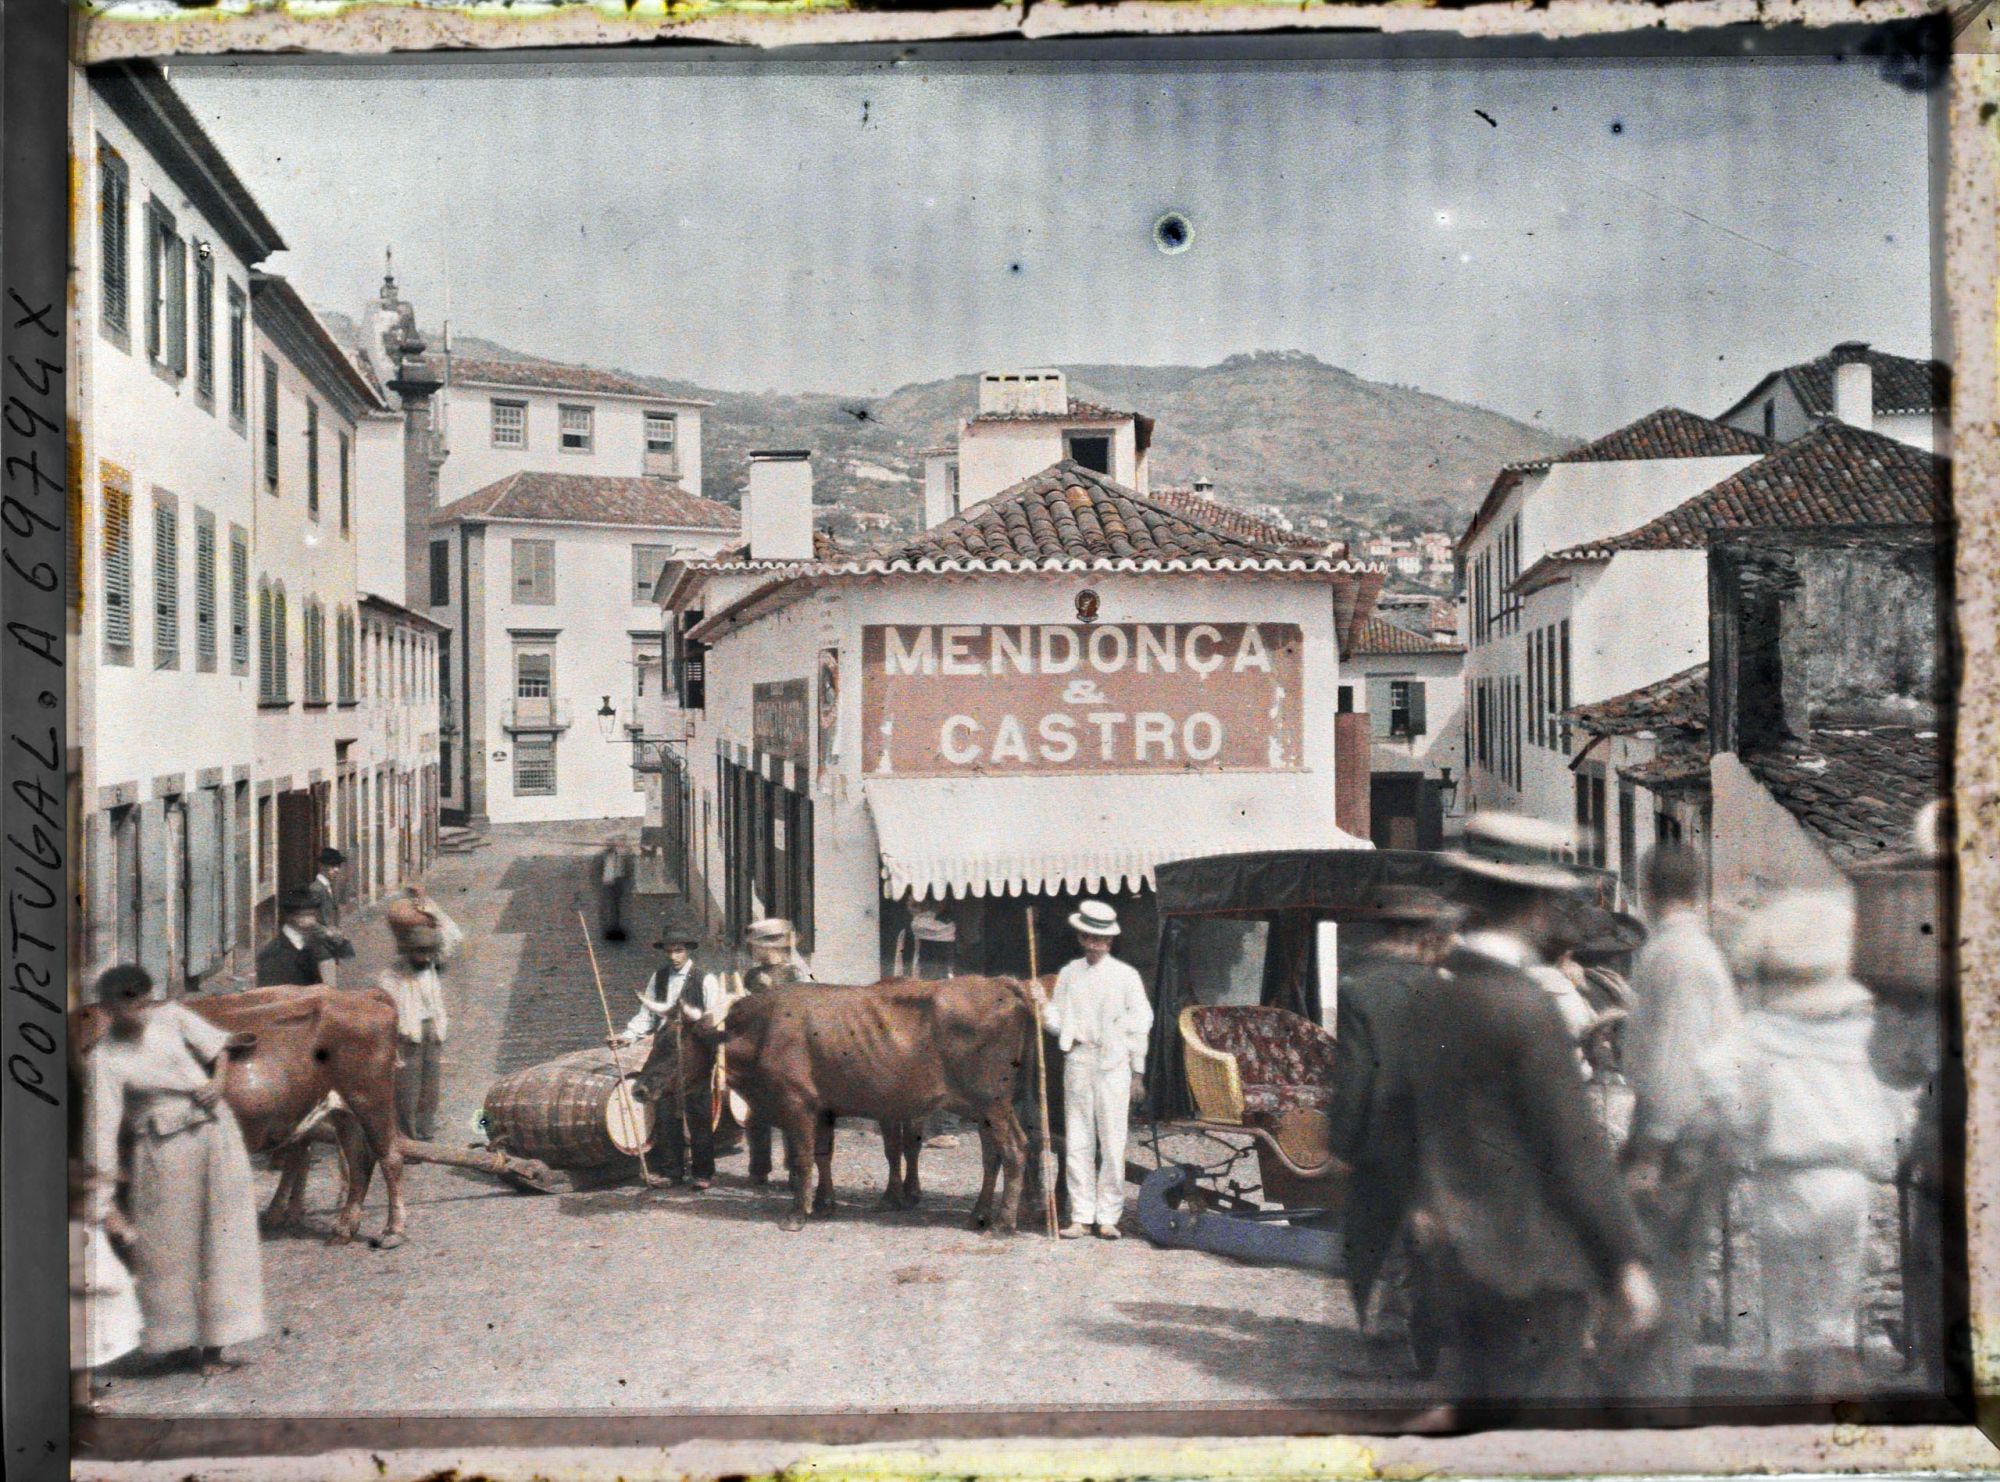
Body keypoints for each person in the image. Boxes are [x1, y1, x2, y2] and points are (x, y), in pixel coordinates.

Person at [1392, 814, 1660, 1409]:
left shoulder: (1431, 996)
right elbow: (1573, 1148)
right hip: (1534, 1266)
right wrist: (1624, 1262)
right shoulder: (1523, 1006)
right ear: (1536, 906)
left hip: (1458, 1264)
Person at [1692, 888, 1909, 1398]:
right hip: (1848, 1182)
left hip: (1785, 1182)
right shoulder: (1863, 1034)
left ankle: (1804, 1412)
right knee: (1835, 1318)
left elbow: (1720, 1090)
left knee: (1791, 1326)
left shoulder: (1760, 1035)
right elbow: (1898, 1105)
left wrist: (1743, 1136)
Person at [83, 964, 265, 1376]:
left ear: (149, 999)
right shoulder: (103, 1060)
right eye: (124, 1007)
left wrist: (218, 1083)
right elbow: (101, 1134)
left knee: (226, 1237)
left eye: (142, 1003)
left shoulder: (173, 1017)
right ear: (107, 1009)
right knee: (168, 1248)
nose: (136, 1014)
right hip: (163, 1151)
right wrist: (102, 1200)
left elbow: (220, 1047)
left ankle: (216, 1348)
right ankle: (178, 1342)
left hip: (217, 1134)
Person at [1620, 841, 1740, 1401]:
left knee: (1659, 1266)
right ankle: (1663, 1391)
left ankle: (1659, 1398)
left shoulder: (1675, 956)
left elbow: (1675, 1058)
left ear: (1648, 889)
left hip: (1678, 1135)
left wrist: (1650, 1150)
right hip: (1693, 1128)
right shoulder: (1690, 950)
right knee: (1670, 1269)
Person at [1325, 884, 1461, 1361]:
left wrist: (1340, 1145)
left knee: (1368, 1236)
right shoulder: (1444, 987)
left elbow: (1355, 1075)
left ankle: (1381, 1331)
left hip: (1380, 1138)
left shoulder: (1358, 989)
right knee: (1424, 1238)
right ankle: (1423, 1339)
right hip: (1437, 1136)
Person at [1043, 900, 1153, 1241]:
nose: (1095, 945)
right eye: (1089, 937)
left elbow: (1141, 1024)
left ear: (1110, 942)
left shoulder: (1126, 976)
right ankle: (1080, 1216)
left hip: (1114, 1065)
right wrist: (1043, 1009)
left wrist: (1137, 1072)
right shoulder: (1069, 974)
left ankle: (1108, 1216)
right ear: (1080, 937)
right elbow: (1057, 1019)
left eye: (1101, 940)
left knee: (1112, 1140)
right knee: (1078, 1140)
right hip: (1078, 1061)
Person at [613, 926, 724, 1188]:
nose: (674, 956)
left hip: (694, 1052)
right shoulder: (659, 978)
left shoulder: (704, 979)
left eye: (679, 951)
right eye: (670, 951)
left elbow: (714, 1016)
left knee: (698, 1113)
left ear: (688, 951)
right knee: (664, 1111)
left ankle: (703, 1173)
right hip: (664, 1051)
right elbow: (646, 1015)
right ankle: (672, 1171)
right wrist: (627, 1036)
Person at [379, 887, 462, 1142]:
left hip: (432, 1031)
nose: (425, 957)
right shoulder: (391, 978)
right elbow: (389, 1017)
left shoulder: (432, 967)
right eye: (419, 952)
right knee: (406, 1090)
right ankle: (407, 1138)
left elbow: (454, 936)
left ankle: (426, 1132)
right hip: (408, 1036)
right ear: (406, 951)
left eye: (428, 951)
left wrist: (428, 905)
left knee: (430, 1087)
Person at [71, 1159, 142, 1407]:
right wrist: (109, 1283)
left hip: (93, 1296)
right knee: (81, 1353)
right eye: (94, 1198)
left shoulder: (90, 1224)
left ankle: (83, 1393)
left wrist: (126, 1233)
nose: (101, 1204)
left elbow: (112, 1218)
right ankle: (81, 1401)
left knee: (87, 1352)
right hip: (85, 1297)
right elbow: (82, 1275)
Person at [255, 889, 341, 987]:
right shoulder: (270, 955)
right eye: (307, 915)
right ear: (293, 917)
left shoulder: (318, 946)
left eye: (313, 915)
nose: (313, 921)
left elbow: (329, 987)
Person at [596, 838, 635, 942]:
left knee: (617, 907)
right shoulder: (601, 856)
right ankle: (606, 930)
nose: (611, 847)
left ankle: (617, 928)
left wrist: (626, 883)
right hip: (606, 884)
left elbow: (628, 870)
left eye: (612, 845)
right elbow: (596, 871)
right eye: (609, 845)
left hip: (618, 883)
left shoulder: (621, 856)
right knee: (605, 906)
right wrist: (598, 884)